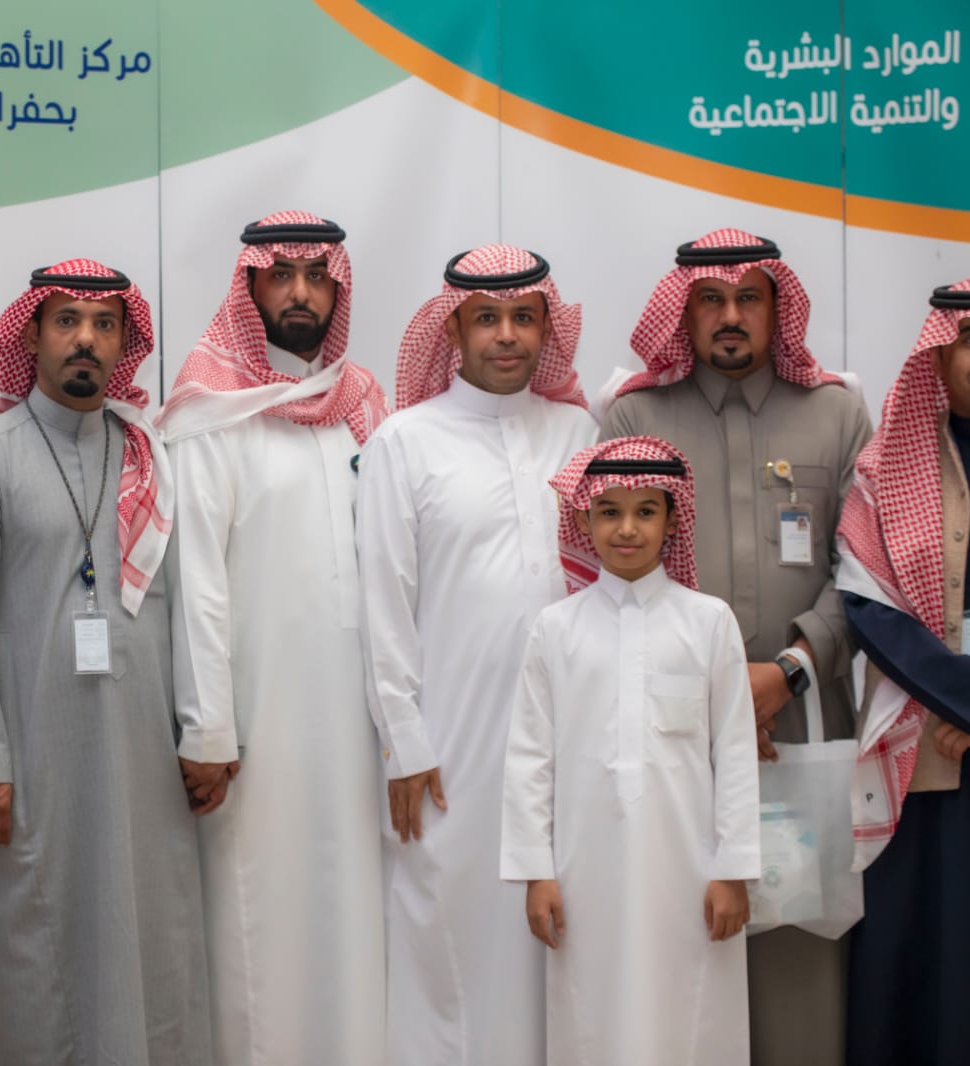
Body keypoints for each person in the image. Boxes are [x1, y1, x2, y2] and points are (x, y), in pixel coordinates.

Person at [599, 228, 871, 1063]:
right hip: (677, 728)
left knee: (798, 965)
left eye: (749, 298)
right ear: (681, 314)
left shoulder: (837, 413)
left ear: (777, 309)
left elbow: (867, 570)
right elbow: (612, 574)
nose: (730, 316)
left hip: (803, 723)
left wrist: (790, 670)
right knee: (683, 957)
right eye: (710, 300)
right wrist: (719, 693)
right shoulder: (635, 417)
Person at [0, 259, 210, 1066]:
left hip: (143, 760)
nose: (85, 339)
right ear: (31, 334)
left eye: (103, 325)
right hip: (30, 762)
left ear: (125, 343)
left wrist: (201, 733)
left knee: (150, 936)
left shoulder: (148, 457)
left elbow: (188, 607)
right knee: (34, 946)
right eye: (66, 321)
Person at [156, 211, 388, 1066]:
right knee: (260, 921)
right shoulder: (212, 410)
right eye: (281, 276)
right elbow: (199, 583)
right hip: (256, 723)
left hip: (357, 727)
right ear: (249, 287)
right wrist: (208, 730)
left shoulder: (363, 405)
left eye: (316, 276)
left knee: (356, 915)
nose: (300, 293)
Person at [356, 245, 597, 1063]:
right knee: (450, 936)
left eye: (524, 318)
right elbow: (384, 603)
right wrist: (404, 743)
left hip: (571, 736)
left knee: (562, 934)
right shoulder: (404, 441)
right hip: (450, 746)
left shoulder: (578, 433)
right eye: (486, 318)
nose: (506, 335)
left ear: (546, 330)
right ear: (452, 330)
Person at [501, 435, 760, 1065]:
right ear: (584, 519)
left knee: (692, 1018)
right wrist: (537, 872)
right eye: (609, 511)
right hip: (582, 871)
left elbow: (735, 752)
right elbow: (530, 758)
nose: (627, 529)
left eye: (646, 511)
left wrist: (733, 869)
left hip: (692, 871)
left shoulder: (709, 621)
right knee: (593, 1016)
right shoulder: (555, 629)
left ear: (672, 520)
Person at [836, 279, 970, 1065]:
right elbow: (866, 603)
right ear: (936, 359)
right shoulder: (888, 465)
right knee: (916, 960)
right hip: (921, 750)